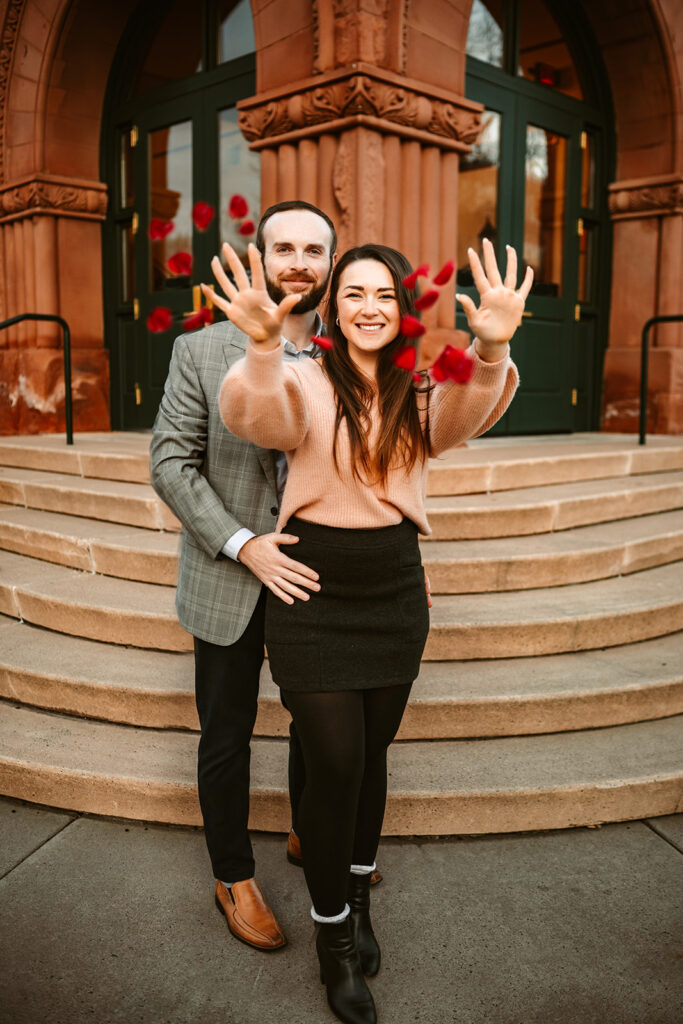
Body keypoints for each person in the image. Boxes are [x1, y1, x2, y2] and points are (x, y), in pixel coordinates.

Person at [206, 236, 532, 1024]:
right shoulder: (301, 379)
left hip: (392, 588)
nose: (368, 307)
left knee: (372, 755)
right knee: (337, 764)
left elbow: (471, 410)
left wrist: (489, 344)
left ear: (403, 307)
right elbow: (257, 415)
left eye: (383, 293)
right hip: (314, 589)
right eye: (352, 293)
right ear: (331, 307)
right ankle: (334, 942)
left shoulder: (424, 386)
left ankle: (356, 891)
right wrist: (257, 345)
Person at [150, 200, 345, 952]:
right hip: (226, 575)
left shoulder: (346, 354)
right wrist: (242, 543)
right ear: (258, 256)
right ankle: (232, 872)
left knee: (317, 726)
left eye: (314, 250)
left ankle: (306, 832)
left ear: (331, 263)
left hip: (317, 581)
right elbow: (171, 463)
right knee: (226, 733)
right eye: (283, 247)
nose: (298, 261)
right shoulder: (199, 352)